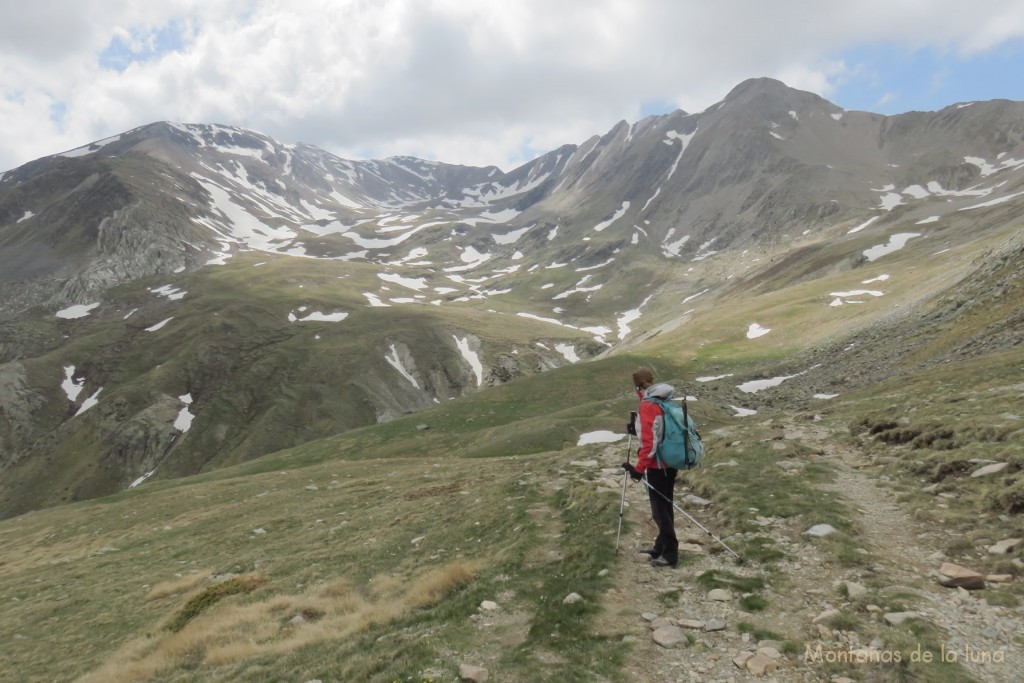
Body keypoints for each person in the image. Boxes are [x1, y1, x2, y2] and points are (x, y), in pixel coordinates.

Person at [622, 367, 678, 567]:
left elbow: (650, 442)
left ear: (638, 383)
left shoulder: (648, 404)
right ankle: (660, 546)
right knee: (665, 506)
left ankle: (670, 554)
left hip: (658, 465)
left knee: (660, 510)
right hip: (669, 462)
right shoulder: (663, 398)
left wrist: (639, 469)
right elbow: (657, 431)